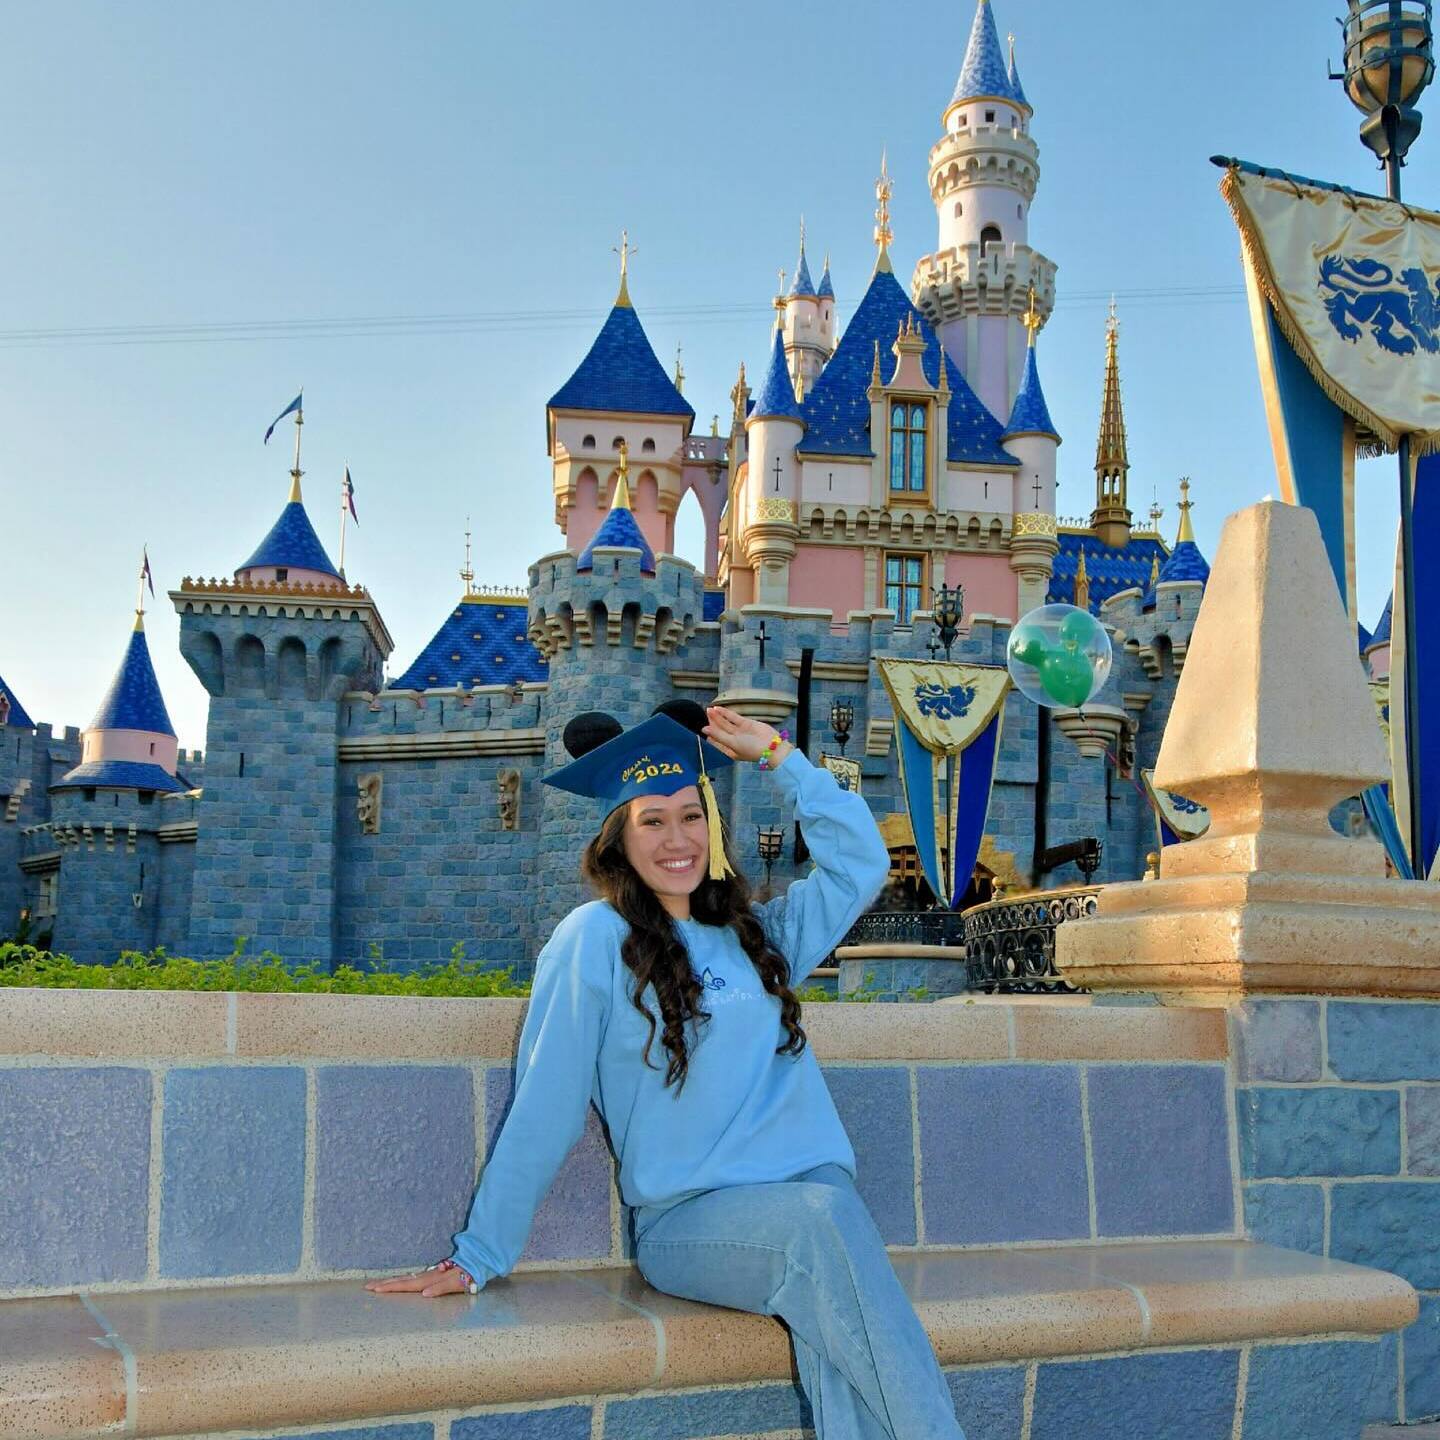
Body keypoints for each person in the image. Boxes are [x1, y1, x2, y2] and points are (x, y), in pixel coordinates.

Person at [368, 700, 967, 1439]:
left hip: (814, 1210)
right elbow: (546, 1103)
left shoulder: (756, 934)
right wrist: (480, 1253)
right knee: (826, 1232)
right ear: (619, 838)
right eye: (653, 821)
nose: (678, 838)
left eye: (692, 815)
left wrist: (778, 755)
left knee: (839, 1350)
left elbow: (863, 864)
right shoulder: (593, 940)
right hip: (695, 1223)